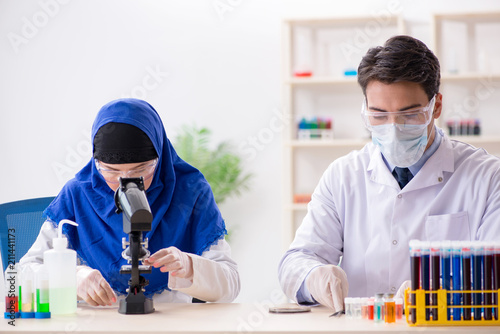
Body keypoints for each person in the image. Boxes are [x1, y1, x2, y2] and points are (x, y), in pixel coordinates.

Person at [278, 35, 500, 312]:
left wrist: (440, 292)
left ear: (436, 106)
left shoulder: (489, 177)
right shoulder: (343, 176)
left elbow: (494, 272)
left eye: (409, 115)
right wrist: (313, 277)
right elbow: (296, 260)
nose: (393, 129)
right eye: (379, 116)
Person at [20, 98, 240, 305]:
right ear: (96, 163)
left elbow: (231, 285)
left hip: (168, 325)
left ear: (160, 158)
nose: (124, 180)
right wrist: (71, 277)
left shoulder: (190, 192)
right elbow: (21, 275)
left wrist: (190, 266)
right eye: (111, 171)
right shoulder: (77, 194)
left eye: (140, 170)